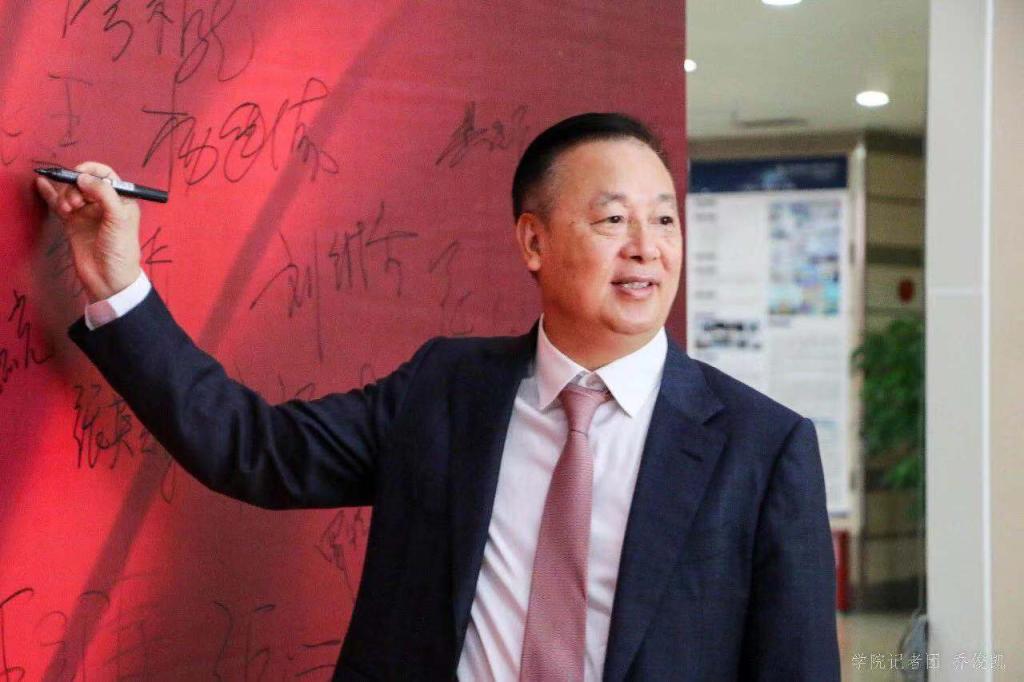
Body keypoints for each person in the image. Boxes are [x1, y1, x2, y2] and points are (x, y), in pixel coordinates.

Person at [36, 113, 840, 681]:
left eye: (664, 221)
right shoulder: (445, 391)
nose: (647, 248)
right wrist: (116, 283)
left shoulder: (761, 447)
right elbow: (256, 451)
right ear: (533, 240)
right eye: (612, 220)